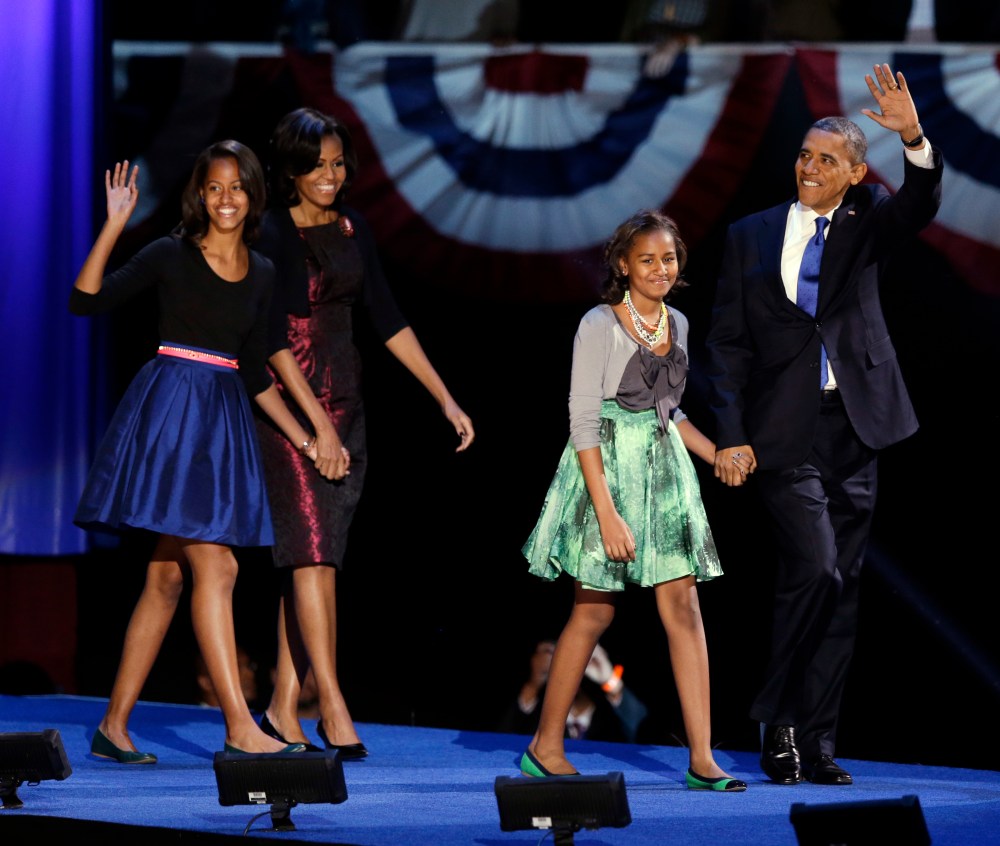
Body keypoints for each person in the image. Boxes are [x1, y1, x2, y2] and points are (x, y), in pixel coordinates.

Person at [703, 63, 942, 786]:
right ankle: (778, 723)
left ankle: (819, 743)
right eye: (805, 155)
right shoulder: (750, 234)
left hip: (857, 425)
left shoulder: (868, 220)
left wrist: (915, 140)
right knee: (816, 567)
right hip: (781, 433)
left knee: (842, 587)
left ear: (855, 173)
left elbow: (919, 206)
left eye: (826, 160)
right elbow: (724, 344)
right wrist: (731, 431)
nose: (809, 167)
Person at [72, 140, 345, 762]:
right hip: (172, 413)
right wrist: (115, 224)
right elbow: (85, 300)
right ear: (200, 195)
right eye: (214, 187)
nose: (225, 198)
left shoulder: (265, 270)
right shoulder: (172, 254)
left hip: (221, 419)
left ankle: (113, 728)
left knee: (169, 576)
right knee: (217, 568)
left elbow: (254, 371)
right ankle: (239, 726)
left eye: (237, 188)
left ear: (253, 196)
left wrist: (307, 437)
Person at [252, 107, 475, 758]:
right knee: (313, 556)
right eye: (316, 164)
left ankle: (281, 708)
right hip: (295, 411)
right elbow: (272, 342)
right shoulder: (274, 232)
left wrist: (445, 399)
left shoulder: (354, 226)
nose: (329, 174)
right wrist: (315, 429)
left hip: (348, 406)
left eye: (337, 162)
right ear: (290, 168)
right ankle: (333, 704)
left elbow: (388, 316)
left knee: (311, 561)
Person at [520, 210, 746, 792]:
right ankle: (545, 745)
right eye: (647, 259)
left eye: (668, 258)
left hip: (665, 478)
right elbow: (583, 422)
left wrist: (716, 452)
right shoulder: (599, 322)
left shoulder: (680, 324)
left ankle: (702, 758)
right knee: (593, 611)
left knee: (685, 610)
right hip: (606, 475)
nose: (660, 268)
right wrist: (607, 511)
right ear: (623, 265)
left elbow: (671, 414)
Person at [497, 640, 649, 744]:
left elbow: (642, 730)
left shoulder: (609, 720)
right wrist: (534, 683)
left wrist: (611, 682)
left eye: (580, 666)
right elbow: (503, 739)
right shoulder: (538, 719)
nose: (571, 674)